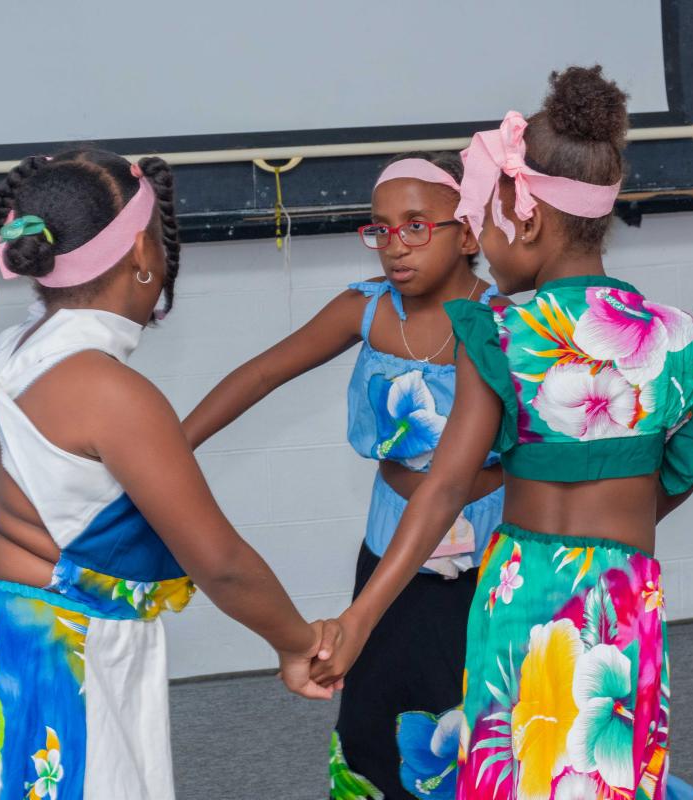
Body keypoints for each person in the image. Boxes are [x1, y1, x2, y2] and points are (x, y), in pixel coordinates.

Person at [0, 150, 334, 800]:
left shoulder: (10, 355)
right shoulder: (110, 392)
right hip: (63, 656)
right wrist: (297, 641)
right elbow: (219, 561)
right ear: (142, 251)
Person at [313, 66, 693, 800]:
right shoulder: (674, 336)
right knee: (604, 772)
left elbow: (444, 489)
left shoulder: (502, 332)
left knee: (517, 767)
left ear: (527, 217)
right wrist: (625, 524)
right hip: (622, 592)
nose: (483, 240)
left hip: (519, 592)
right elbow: (688, 464)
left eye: (485, 218)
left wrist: (358, 618)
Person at [183, 152, 504, 799]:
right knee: (378, 717)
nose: (394, 246)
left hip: (493, 557)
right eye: (380, 228)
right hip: (394, 553)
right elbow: (261, 373)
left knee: (479, 715)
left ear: (466, 233)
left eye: (416, 226)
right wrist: (173, 447)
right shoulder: (366, 308)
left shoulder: (503, 321)